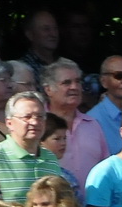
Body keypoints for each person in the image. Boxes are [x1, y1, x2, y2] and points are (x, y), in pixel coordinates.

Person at [42, 60, 109, 188]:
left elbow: (105, 167)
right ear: (48, 89)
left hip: (92, 205)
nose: (74, 87)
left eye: (78, 82)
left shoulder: (92, 124)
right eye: (67, 83)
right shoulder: (39, 124)